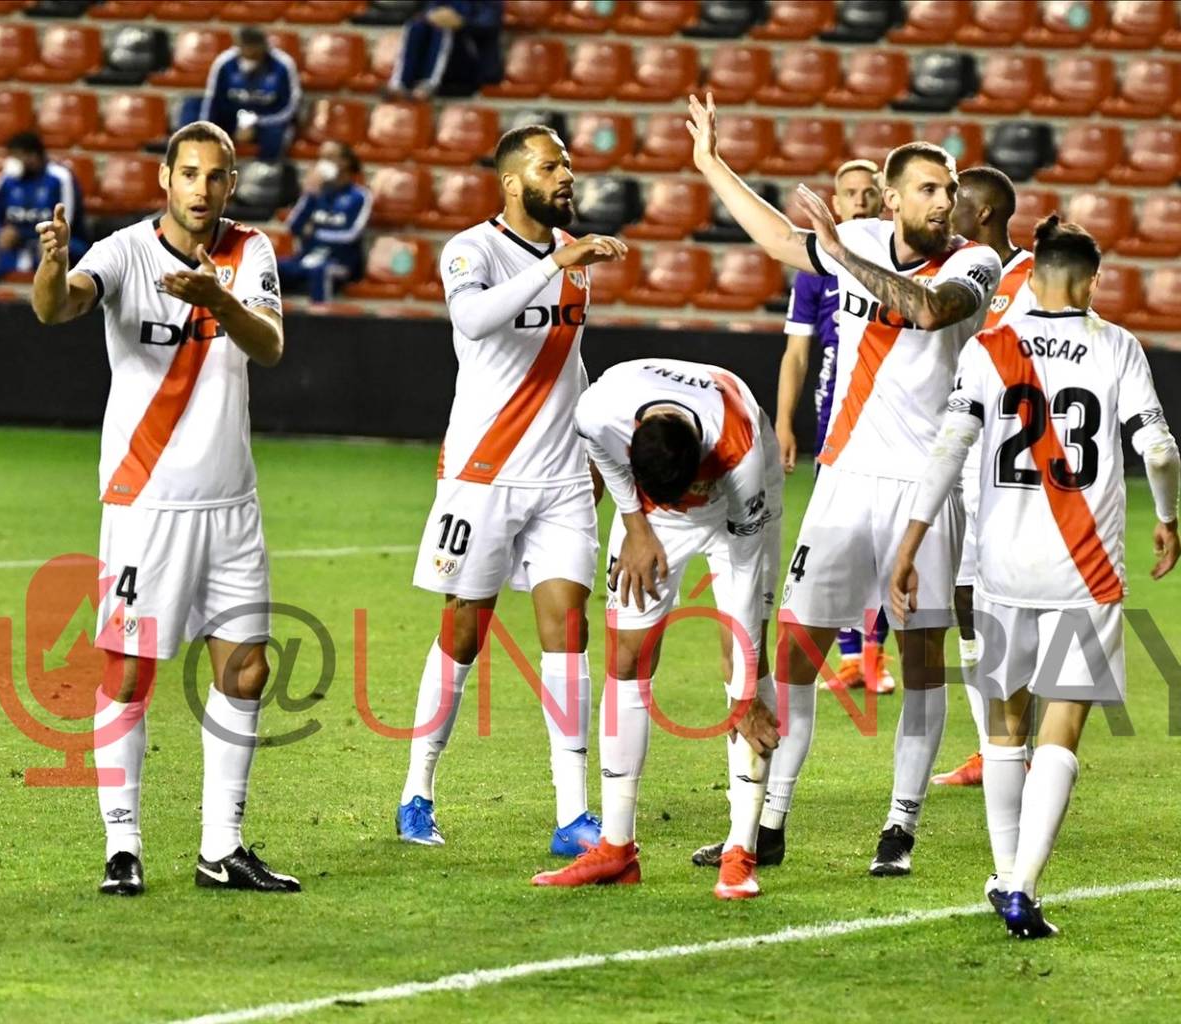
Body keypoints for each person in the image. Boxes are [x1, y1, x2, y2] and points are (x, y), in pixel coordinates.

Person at [685, 92, 1001, 877]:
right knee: (795, 657)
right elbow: (780, 239)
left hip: (926, 491)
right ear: (892, 198)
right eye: (928, 187)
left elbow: (927, 313)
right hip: (843, 480)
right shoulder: (855, 235)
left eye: (950, 186)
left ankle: (899, 826)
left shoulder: (973, 262)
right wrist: (711, 164)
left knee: (922, 658)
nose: (944, 199)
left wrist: (840, 255)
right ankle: (768, 822)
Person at [889, 215, 1181, 938]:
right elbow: (1159, 449)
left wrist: (912, 539)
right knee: (1063, 725)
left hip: (999, 564)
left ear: (1036, 272)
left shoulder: (990, 347)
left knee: (1002, 721)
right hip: (1084, 565)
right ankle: (1022, 883)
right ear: (1087, 279)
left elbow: (948, 449)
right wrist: (1168, 517)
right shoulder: (1116, 346)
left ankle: (1000, 870)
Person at [30, 120, 297, 896]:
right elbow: (58, 308)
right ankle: (122, 846)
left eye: (217, 176)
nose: (202, 189)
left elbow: (270, 345)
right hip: (147, 503)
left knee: (246, 668)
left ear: (232, 183)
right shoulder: (123, 252)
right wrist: (50, 268)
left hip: (231, 503)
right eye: (189, 174)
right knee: (128, 676)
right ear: (164, 179)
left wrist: (217, 297)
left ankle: (223, 846)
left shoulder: (249, 253)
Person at [395, 125, 629, 858]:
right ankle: (417, 790)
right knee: (464, 628)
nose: (566, 176)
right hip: (482, 474)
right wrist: (555, 264)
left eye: (568, 164)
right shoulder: (472, 249)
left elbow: (571, 367)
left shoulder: (574, 260)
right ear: (510, 180)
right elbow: (472, 319)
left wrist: (597, 452)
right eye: (550, 166)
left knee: (569, 625)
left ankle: (572, 815)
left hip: (559, 475)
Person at [534, 359, 782, 899]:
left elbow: (743, 574)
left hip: (735, 515)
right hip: (649, 517)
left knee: (744, 660)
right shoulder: (601, 410)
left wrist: (742, 696)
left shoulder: (738, 451)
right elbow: (600, 450)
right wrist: (637, 525)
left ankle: (741, 852)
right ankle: (617, 851)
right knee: (626, 657)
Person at [932, 165, 1038, 789]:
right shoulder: (954, 271)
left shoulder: (1030, 279)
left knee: (1013, 605)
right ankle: (991, 746)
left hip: (1011, 464)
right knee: (965, 600)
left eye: (957, 203)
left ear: (988, 214)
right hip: (961, 455)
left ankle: (1022, 741)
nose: (947, 212)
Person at [773, 158, 895, 698]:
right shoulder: (816, 272)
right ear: (837, 203)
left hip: (891, 424)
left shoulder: (900, 263)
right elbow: (798, 353)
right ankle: (851, 658)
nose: (861, 201)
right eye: (850, 193)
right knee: (841, 545)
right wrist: (784, 422)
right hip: (835, 426)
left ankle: (875, 657)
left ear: (885, 199)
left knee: (887, 545)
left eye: (870, 192)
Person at [0, 132, 86, 291]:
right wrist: (0, 232)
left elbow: (65, 226)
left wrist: (21, 233)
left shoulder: (60, 177)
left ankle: (56, 310)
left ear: (32, 156)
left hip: (55, 246)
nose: (10, 161)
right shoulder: (7, 178)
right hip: (15, 248)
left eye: (16, 156)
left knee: (50, 244)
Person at [279, 141, 373, 303]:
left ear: (345, 162)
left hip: (340, 262)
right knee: (268, 267)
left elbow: (351, 234)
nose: (322, 164)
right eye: (320, 158)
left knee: (320, 271)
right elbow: (293, 227)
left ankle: (319, 324)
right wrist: (309, 194)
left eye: (329, 158)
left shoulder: (360, 196)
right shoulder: (316, 193)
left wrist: (315, 232)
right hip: (307, 257)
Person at [199, 27, 301, 162]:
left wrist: (255, 122)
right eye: (246, 49)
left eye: (254, 51)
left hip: (268, 121)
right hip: (232, 118)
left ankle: (265, 174)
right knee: (192, 106)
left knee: (276, 134)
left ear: (264, 47)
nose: (250, 53)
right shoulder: (224, 63)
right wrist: (207, 130)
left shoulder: (283, 64)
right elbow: (212, 100)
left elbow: (291, 107)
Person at [389, 1, 503, 101]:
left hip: (473, 61)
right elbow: (431, 9)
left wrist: (461, 22)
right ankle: (400, 83)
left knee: (444, 28)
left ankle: (429, 84)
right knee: (416, 25)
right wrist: (433, 15)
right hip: (447, 63)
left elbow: (489, 23)